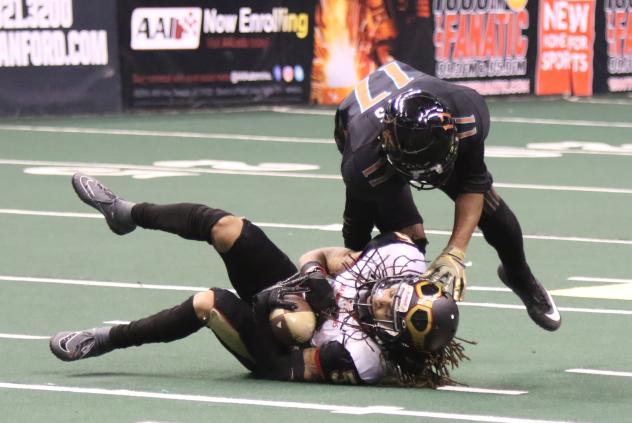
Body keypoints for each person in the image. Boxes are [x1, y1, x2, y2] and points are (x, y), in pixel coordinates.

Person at [49, 173, 463, 387]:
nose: (382, 299)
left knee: (207, 302)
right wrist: (314, 275)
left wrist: (274, 314)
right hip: (296, 287)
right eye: (395, 293)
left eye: (389, 312)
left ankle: (105, 339)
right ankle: (125, 212)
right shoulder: (400, 257)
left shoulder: (363, 360)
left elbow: (281, 367)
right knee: (228, 228)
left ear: (396, 337)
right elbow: (318, 256)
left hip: (282, 347)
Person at [334, 60, 561, 331]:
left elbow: (473, 185)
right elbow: (355, 231)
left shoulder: (466, 110)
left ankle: (519, 274)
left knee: (490, 206)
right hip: (364, 130)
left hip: (418, 122)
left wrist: (455, 252)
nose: (430, 176)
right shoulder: (364, 163)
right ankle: (390, 319)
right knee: (407, 241)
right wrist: (355, 282)